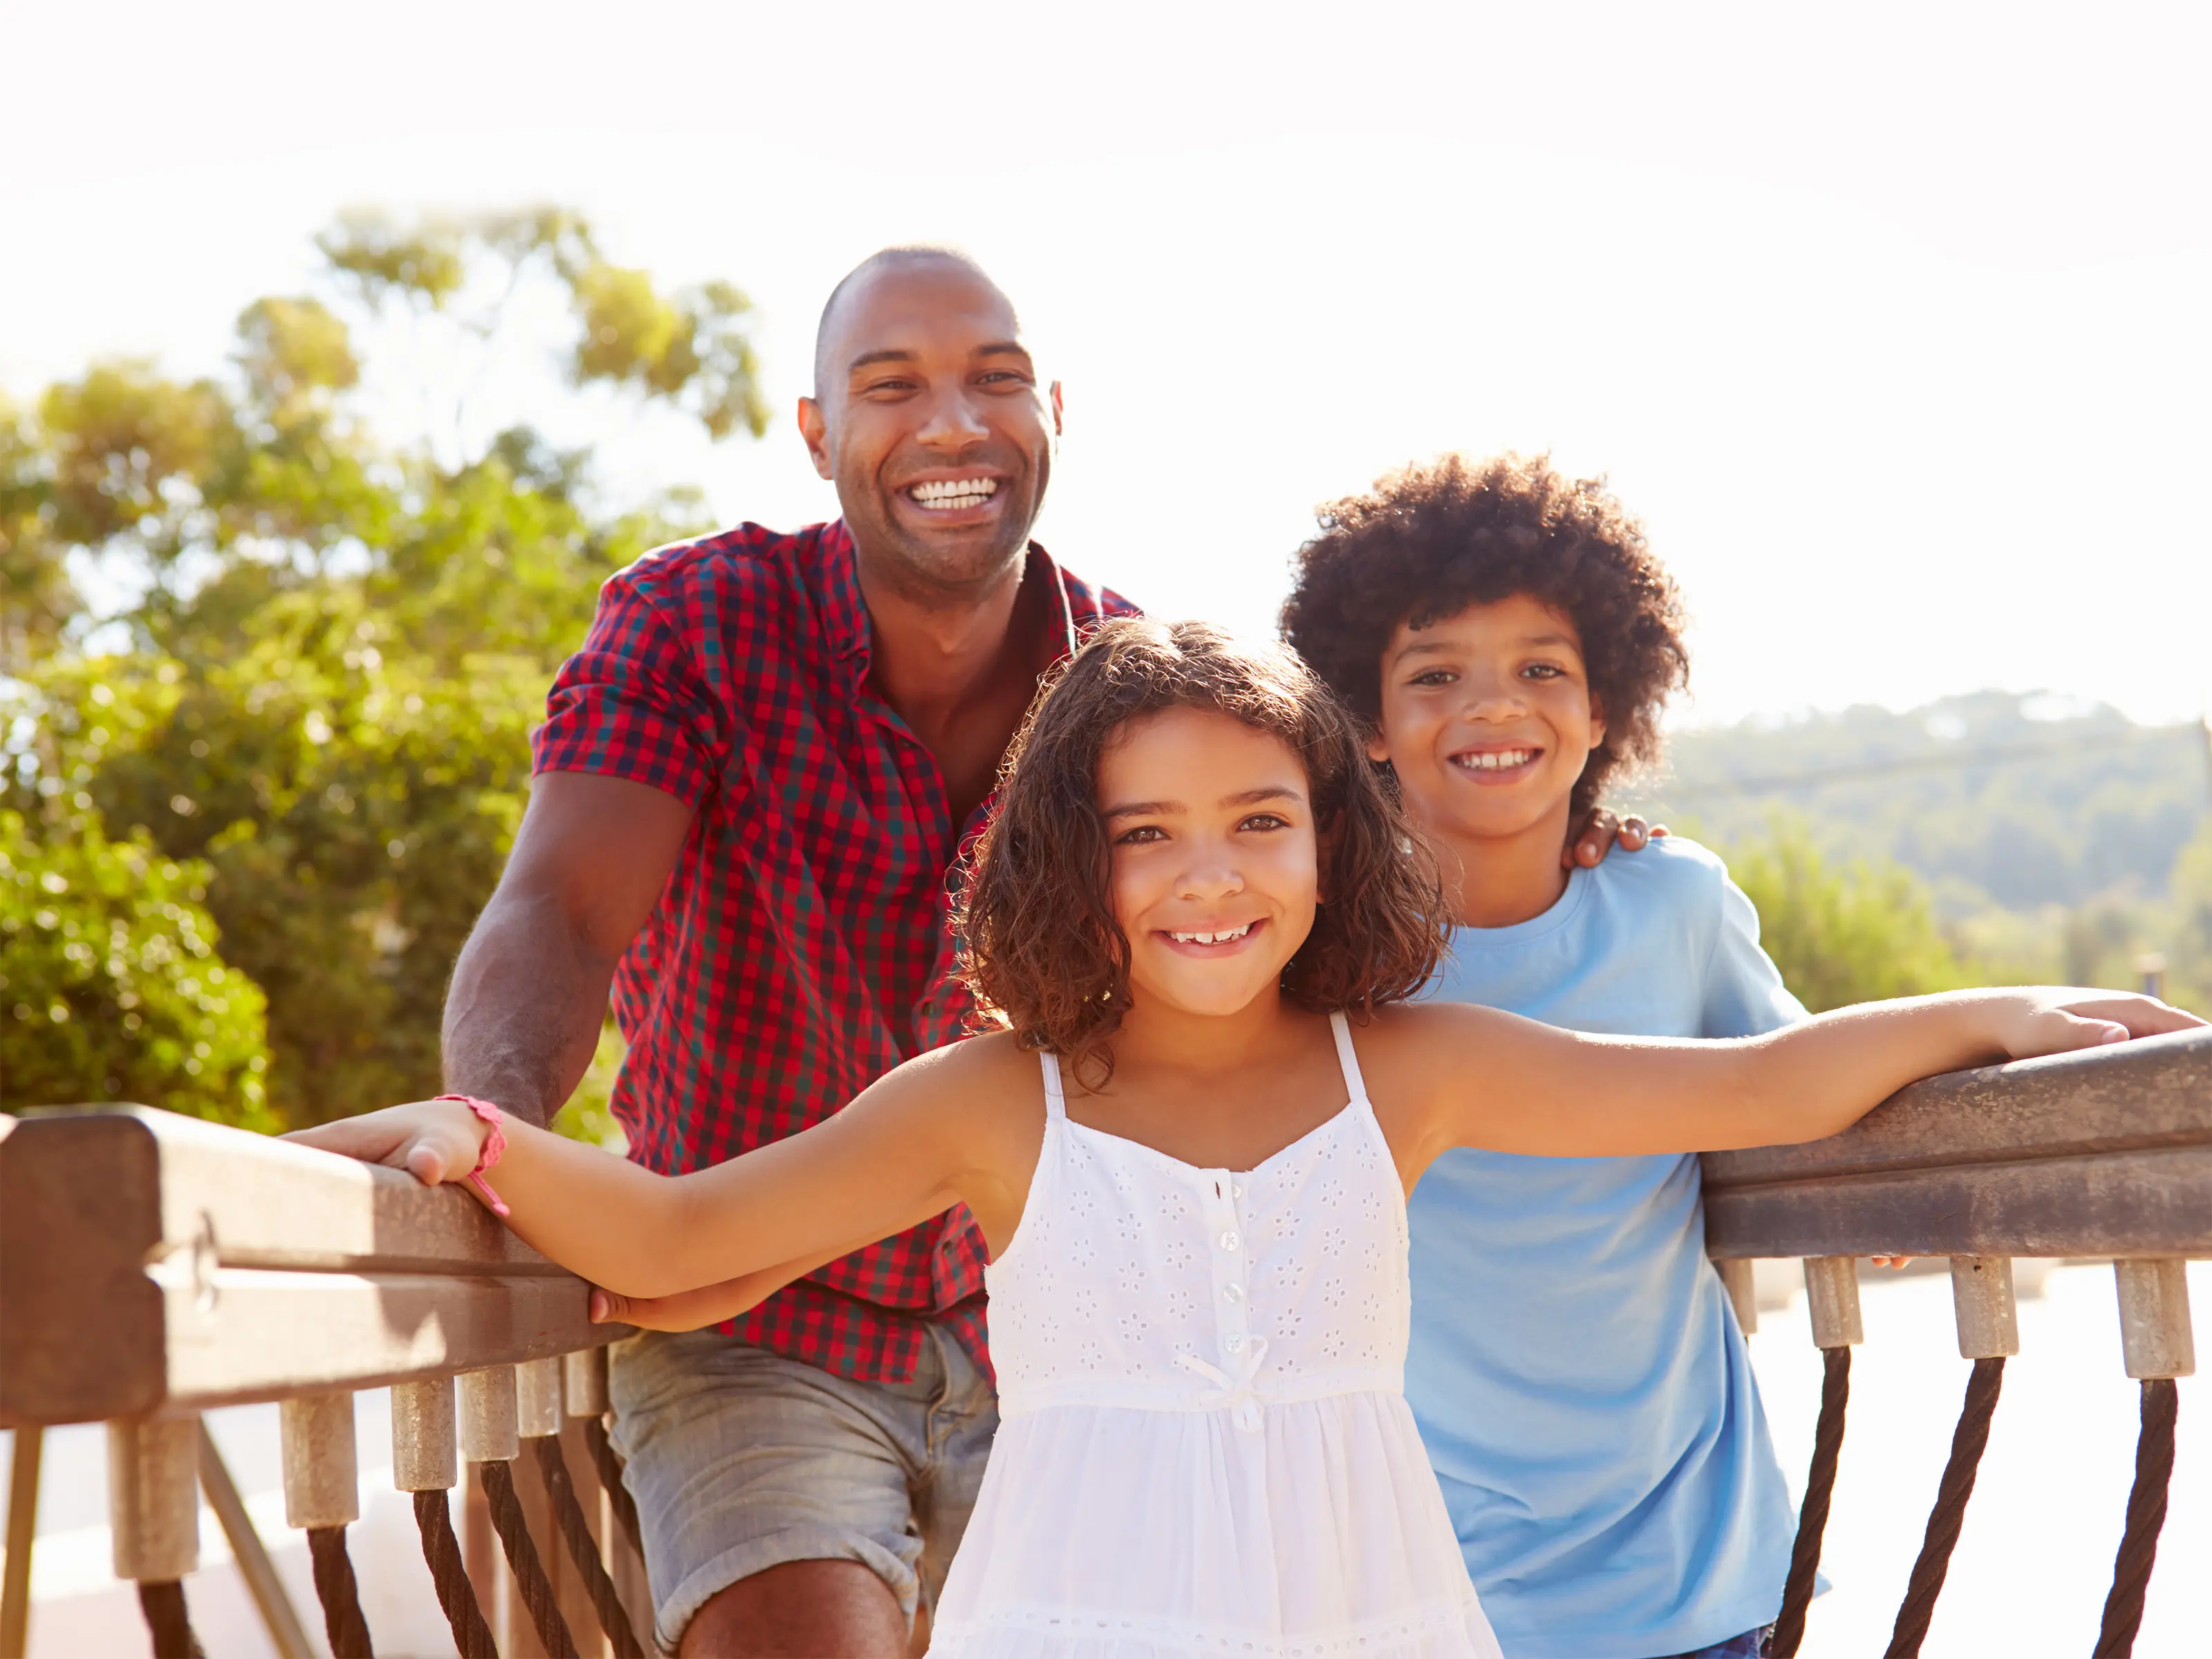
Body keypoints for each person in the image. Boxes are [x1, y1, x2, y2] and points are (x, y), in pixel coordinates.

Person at [292, 619, 2197, 1659]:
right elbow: (678, 1231)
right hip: (1077, 1617)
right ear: (1073, 861)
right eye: (1147, 834)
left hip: (1368, 1612)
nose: (1209, 878)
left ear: (1330, 836)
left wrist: (2003, 1017)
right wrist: (472, 1135)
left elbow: (1750, 1093)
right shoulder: (999, 1092)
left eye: (1259, 821)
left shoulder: (1416, 1066)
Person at [430, 247, 1646, 1659]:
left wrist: (1568, 837)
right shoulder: (698, 623)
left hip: (1060, 1340)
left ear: (1051, 412)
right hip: (758, 1319)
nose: (952, 422)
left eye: (994, 381)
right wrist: (501, 1150)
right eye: (893, 388)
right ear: (818, 430)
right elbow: (560, 917)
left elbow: (1275, 909)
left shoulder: (1126, 678)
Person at [1278, 451, 1818, 1658]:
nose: (1495, 705)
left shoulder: (1675, 903)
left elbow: (1802, 1086)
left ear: (1604, 707)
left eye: (1542, 670)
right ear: (1363, 717)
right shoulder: (1311, 955)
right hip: (1432, 1575)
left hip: (1692, 1556)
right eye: (1435, 674)